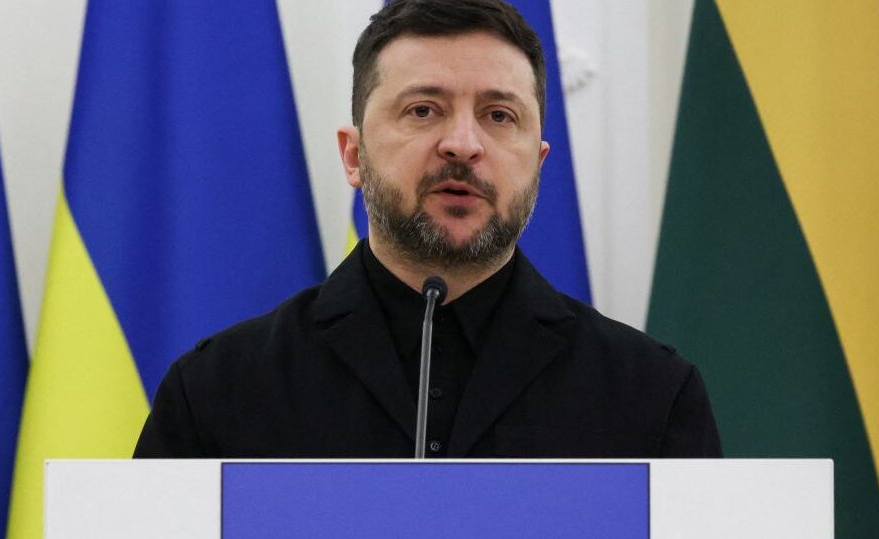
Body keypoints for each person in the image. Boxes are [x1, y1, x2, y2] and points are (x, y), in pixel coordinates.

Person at [134, 0, 721, 459]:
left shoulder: (650, 397)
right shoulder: (218, 391)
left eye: (499, 115)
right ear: (353, 156)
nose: (462, 144)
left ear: (538, 163)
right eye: (423, 109)